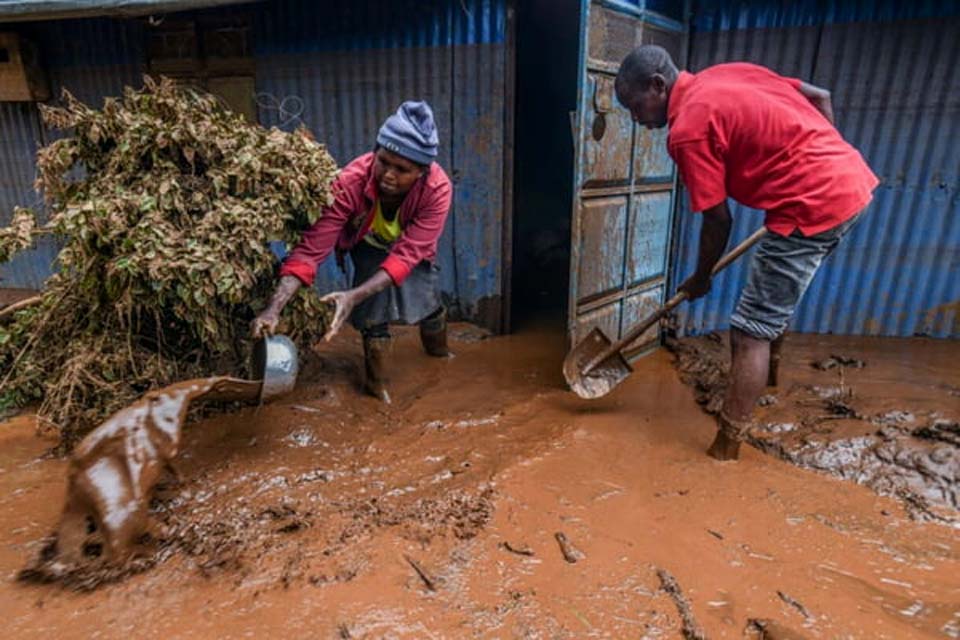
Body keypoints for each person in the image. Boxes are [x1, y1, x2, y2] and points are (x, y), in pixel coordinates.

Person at [614, 45, 878, 461]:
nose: (637, 118)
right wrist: (827, 155)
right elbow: (820, 95)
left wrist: (701, 277)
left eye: (635, 106)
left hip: (811, 204)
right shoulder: (726, 73)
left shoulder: (689, 129)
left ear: (657, 85)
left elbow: (718, 219)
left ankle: (726, 447)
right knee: (772, 302)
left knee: (749, 331)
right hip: (851, 180)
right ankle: (768, 380)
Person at [252, 101, 454, 404]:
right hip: (367, 243)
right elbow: (310, 250)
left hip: (410, 249)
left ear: (422, 173)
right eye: (383, 161)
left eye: (402, 170)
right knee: (372, 315)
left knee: (430, 302)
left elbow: (407, 255)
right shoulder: (350, 182)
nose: (388, 175)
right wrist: (273, 309)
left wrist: (351, 295)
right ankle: (378, 385)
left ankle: (439, 354)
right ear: (374, 152)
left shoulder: (437, 189)